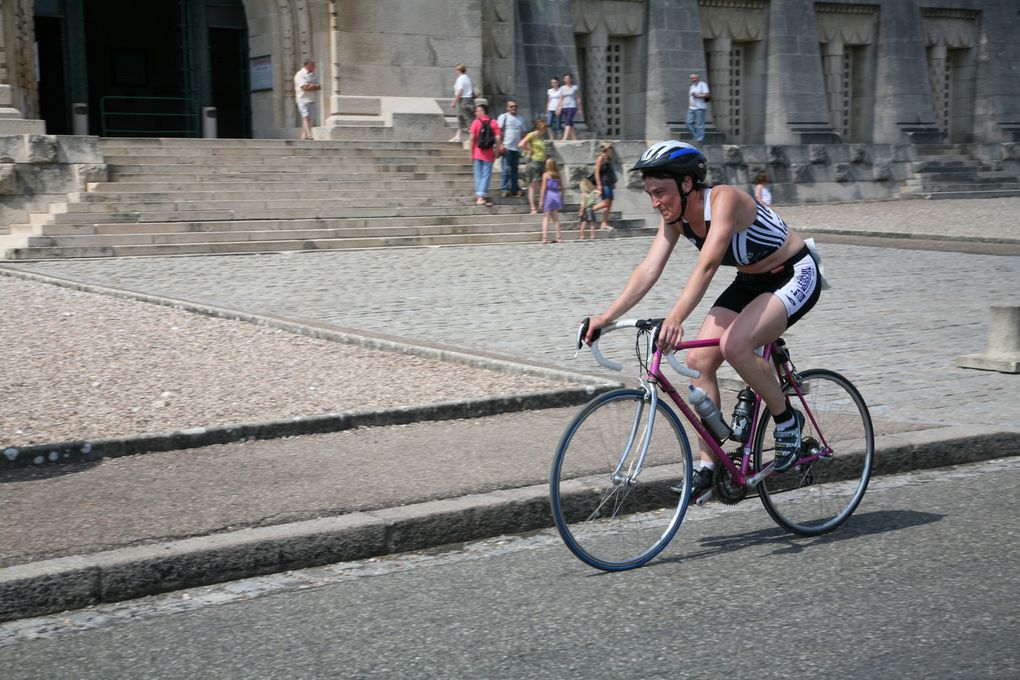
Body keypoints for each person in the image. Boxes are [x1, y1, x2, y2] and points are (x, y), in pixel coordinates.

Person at [582, 141, 823, 495]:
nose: (655, 203)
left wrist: (676, 317)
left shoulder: (725, 200)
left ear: (687, 184)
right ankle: (709, 466)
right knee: (698, 362)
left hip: (794, 273)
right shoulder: (676, 220)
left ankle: (787, 420)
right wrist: (604, 317)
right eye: (650, 194)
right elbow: (649, 269)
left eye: (660, 192)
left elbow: (708, 265)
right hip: (751, 281)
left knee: (735, 345)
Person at [469, 102, 500, 207]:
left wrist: (471, 153)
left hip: (477, 153)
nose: (475, 113)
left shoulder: (476, 122)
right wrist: (496, 152)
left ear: (482, 111)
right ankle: (481, 197)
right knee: (486, 176)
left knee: (478, 175)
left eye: (477, 111)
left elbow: (472, 138)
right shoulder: (494, 122)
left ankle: (480, 197)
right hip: (489, 154)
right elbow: (498, 138)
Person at [519, 119, 549, 215]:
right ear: (539, 128)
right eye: (543, 128)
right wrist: (530, 149)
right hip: (534, 162)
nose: (545, 130)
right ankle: (532, 207)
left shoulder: (541, 136)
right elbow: (521, 144)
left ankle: (542, 205)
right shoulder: (532, 135)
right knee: (532, 185)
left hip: (542, 163)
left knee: (542, 185)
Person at [497, 100, 525, 197]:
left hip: (516, 148)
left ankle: (514, 189)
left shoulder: (520, 118)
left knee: (514, 169)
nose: (514, 108)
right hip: (506, 146)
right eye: (511, 106)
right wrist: (500, 144)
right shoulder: (503, 117)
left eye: (515, 106)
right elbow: (498, 131)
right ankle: (504, 189)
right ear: (507, 108)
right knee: (505, 169)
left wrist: (524, 145)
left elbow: (523, 133)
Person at [293, 60, 321, 141]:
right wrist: (313, 86)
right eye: (313, 66)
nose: (314, 68)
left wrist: (311, 86)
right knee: (306, 117)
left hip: (311, 99)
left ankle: (303, 137)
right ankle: (309, 135)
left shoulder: (312, 75)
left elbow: (319, 86)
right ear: (308, 65)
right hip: (302, 99)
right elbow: (304, 87)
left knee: (309, 119)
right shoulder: (300, 74)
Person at [593, 141, 617, 230]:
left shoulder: (608, 159)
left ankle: (604, 223)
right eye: (611, 148)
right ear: (607, 149)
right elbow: (596, 173)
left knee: (610, 203)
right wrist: (599, 184)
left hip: (609, 183)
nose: (612, 150)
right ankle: (589, 210)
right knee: (606, 202)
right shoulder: (600, 158)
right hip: (603, 183)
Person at [540, 158, 564, 244]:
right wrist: (562, 198)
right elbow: (562, 187)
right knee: (555, 218)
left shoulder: (545, 175)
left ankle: (544, 238)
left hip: (549, 195)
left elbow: (543, 189)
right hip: (556, 195)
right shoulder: (557, 174)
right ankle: (558, 237)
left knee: (546, 218)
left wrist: (541, 200)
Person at [449, 64, 474, 143]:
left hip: (464, 100)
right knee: (461, 118)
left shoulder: (460, 79)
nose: (455, 71)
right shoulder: (467, 78)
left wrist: (454, 102)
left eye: (456, 70)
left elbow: (460, 91)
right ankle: (458, 136)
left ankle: (471, 139)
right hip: (468, 100)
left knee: (467, 119)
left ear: (459, 70)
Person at [558, 73, 582, 141]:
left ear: (571, 79)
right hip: (564, 107)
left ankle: (564, 138)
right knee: (570, 123)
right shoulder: (562, 88)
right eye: (566, 78)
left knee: (567, 122)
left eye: (568, 78)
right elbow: (561, 98)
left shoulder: (575, 87)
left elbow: (578, 98)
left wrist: (580, 108)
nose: (567, 80)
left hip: (572, 106)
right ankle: (574, 138)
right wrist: (559, 107)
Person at [687, 72, 710, 142]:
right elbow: (691, 97)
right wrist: (689, 105)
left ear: (697, 78)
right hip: (692, 108)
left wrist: (697, 96)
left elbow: (707, 95)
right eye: (691, 78)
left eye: (694, 78)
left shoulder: (702, 84)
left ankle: (699, 139)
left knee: (700, 124)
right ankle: (697, 136)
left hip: (700, 108)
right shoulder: (692, 86)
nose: (693, 79)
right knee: (689, 123)